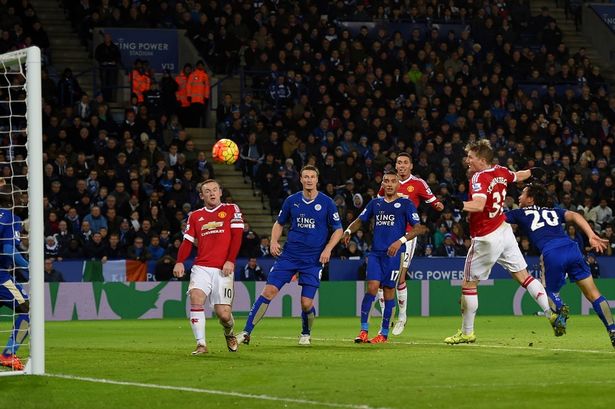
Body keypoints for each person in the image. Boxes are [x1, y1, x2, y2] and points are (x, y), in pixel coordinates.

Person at [444, 140, 557, 344]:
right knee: (524, 276)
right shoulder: (501, 170)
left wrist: (458, 204)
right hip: (504, 230)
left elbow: (478, 205)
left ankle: (467, 332)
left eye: (471, 157)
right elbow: (519, 176)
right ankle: (551, 312)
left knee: (469, 284)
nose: (467, 160)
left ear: (482, 159)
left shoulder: (479, 178)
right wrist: (533, 171)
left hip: (485, 236)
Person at [237, 165, 343, 346]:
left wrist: (328, 249)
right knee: (268, 291)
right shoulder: (291, 201)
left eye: (312, 177)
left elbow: (338, 229)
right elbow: (279, 224)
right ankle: (246, 332)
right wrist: (273, 241)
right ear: (300, 180)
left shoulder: (327, 203)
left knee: (306, 303)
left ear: (317, 180)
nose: (309, 180)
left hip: (313, 260)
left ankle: (305, 333)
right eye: (305, 177)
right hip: (289, 256)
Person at [505, 184, 614, 346]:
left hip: (552, 252)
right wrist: (591, 235)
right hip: (572, 249)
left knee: (547, 292)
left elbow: (494, 219)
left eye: (522, 194)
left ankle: (560, 307)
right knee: (593, 294)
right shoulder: (554, 211)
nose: (519, 197)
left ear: (530, 199)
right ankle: (612, 330)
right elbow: (576, 216)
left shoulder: (519, 213)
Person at [344, 171, 427, 343]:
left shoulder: (406, 203)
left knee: (389, 291)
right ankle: (363, 330)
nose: (389, 184)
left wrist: (400, 241)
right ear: (382, 184)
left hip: (395, 255)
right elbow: (360, 220)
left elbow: (419, 228)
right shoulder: (376, 203)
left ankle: (383, 333)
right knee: (373, 287)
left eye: (393, 181)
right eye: (386, 181)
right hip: (376, 253)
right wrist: (348, 230)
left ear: (398, 184)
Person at [173, 179, 243, 354]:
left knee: (224, 315)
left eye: (214, 190)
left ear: (220, 192)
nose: (212, 193)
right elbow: (187, 241)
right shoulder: (195, 216)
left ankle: (229, 332)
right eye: (207, 191)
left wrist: (230, 260)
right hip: (202, 267)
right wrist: (180, 260)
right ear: (201, 196)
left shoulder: (231, 209)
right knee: (196, 297)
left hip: (223, 268)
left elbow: (237, 237)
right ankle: (201, 344)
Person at [376, 152, 444, 335]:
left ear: (411, 166)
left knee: (400, 278)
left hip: (407, 235)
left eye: (405, 163)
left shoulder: (418, 184)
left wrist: (438, 205)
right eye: (399, 163)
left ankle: (402, 317)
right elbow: (378, 204)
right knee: (383, 279)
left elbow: (433, 201)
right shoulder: (388, 183)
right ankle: (386, 317)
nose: (402, 166)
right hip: (387, 234)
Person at [0, 185, 29, 370]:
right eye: (19, 197)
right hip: (1, 277)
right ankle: (9, 354)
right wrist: (29, 266)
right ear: (11, 200)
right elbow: (9, 251)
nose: (23, 200)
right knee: (27, 310)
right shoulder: (12, 219)